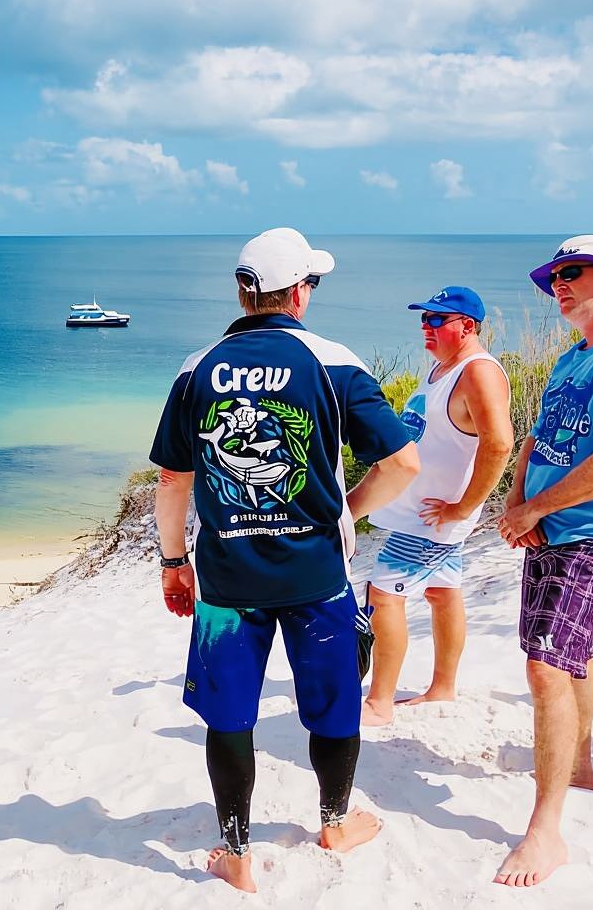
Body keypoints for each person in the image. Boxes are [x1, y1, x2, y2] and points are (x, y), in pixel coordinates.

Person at [150, 228, 420, 893]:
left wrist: (173, 561)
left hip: (226, 580)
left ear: (244, 292)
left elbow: (173, 480)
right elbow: (402, 463)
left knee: (229, 713)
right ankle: (334, 823)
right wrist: (346, 510)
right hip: (316, 575)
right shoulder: (333, 361)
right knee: (333, 703)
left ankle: (236, 853)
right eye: (312, 283)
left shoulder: (196, 367)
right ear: (298, 292)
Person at [493, 234, 593, 888]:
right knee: (570, 652)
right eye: (553, 277)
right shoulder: (571, 357)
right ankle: (580, 762)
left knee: (545, 666)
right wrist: (517, 501)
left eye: (572, 273)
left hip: (592, 528)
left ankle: (546, 831)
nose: (558, 285)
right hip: (546, 526)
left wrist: (535, 509)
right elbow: (537, 439)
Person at [361, 287, 513, 725]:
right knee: (443, 594)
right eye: (423, 319)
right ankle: (443, 687)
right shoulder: (442, 368)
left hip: (429, 521)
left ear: (467, 326)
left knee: (383, 598)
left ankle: (379, 702)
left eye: (436, 320)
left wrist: (463, 508)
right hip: (422, 514)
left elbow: (499, 444)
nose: (425, 327)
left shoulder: (478, 372)